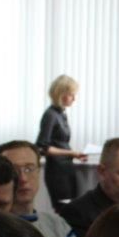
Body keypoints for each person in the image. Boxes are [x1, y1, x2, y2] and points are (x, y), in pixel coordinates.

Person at [0, 140, 81, 237]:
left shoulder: (57, 224)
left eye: (29, 169)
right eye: (13, 171)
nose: (23, 178)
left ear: (39, 172)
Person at [35, 74, 86, 205]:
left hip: (66, 167)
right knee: (64, 207)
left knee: (72, 206)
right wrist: (71, 153)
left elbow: (60, 144)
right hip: (57, 171)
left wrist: (73, 154)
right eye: (71, 94)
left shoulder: (61, 114)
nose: (74, 98)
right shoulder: (50, 115)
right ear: (61, 94)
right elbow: (42, 147)